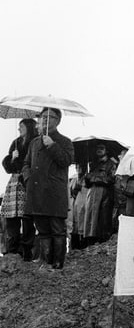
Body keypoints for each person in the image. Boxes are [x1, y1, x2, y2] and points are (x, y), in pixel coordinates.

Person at [22, 108, 74, 269]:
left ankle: (58, 264)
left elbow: (66, 161)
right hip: (36, 192)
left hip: (54, 192)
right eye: (42, 117)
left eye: (49, 117)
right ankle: (46, 261)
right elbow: (26, 164)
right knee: (42, 229)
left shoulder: (65, 141)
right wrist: (28, 178)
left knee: (57, 229)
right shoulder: (34, 142)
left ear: (57, 121)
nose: (44, 120)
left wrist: (52, 146)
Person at [0, 118, 37, 260]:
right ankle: (12, 250)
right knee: (12, 217)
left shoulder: (35, 142)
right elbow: (8, 168)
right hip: (15, 182)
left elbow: (33, 163)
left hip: (27, 181)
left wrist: (20, 161)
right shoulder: (15, 143)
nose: (19, 129)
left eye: (21, 126)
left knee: (27, 217)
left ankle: (27, 251)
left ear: (28, 126)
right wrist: (11, 158)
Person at [83, 144, 116, 245]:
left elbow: (111, 179)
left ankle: (102, 241)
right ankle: (90, 241)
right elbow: (87, 183)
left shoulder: (111, 164)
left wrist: (94, 178)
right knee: (89, 218)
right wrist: (87, 178)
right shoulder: (92, 164)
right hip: (91, 194)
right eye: (97, 148)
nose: (99, 150)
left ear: (107, 150)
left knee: (102, 220)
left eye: (102, 148)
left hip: (104, 194)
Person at [69, 163, 88, 250]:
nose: (78, 169)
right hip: (74, 206)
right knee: (74, 227)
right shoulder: (73, 179)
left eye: (80, 167)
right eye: (77, 167)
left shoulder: (86, 179)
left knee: (82, 225)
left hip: (83, 205)